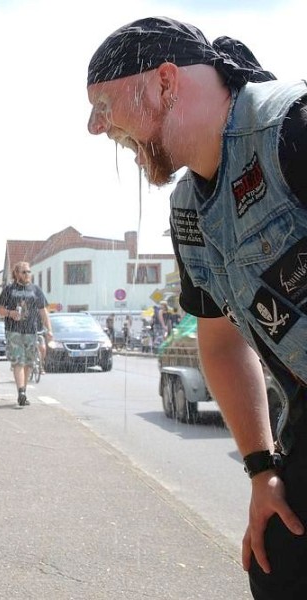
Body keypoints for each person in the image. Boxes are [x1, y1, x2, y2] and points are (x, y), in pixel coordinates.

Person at [86, 17, 307, 598]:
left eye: (105, 105)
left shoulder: (294, 125)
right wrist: (262, 469)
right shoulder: (189, 210)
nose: (93, 127)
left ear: (164, 82)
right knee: (277, 567)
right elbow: (220, 340)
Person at [0, 262, 53, 406]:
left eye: (28, 272)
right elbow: (0, 310)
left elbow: (43, 311)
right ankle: (21, 391)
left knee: (29, 362)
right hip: (14, 330)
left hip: (31, 331)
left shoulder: (35, 290)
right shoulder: (9, 289)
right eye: (24, 272)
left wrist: (49, 330)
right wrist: (11, 313)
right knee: (18, 361)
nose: (27, 275)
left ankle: (24, 391)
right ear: (16, 274)